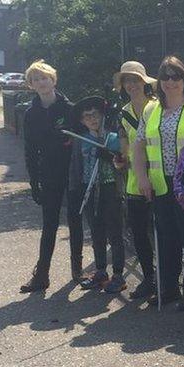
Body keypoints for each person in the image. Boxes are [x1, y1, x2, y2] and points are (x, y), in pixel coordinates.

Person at [133, 56, 184, 307]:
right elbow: (138, 146)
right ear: (159, 81)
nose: (171, 82)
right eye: (165, 77)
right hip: (160, 182)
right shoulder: (151, 109)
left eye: (176, 76)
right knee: (166, 236)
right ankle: (169, 287)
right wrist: (142, 178)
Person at [20, 59, 83, 293]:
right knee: (50, 224)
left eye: (44, 77)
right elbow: (29, 149)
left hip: (72, 172)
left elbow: (82, 139)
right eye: (36, 79)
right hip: (48, 174)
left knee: (76, 220)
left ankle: (77, 271)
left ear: (53, 80)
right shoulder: (31, 113)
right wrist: (33, 181)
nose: (41, 82)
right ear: (31, 85)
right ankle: (42, 275)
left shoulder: (70, 109)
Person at [68, 97, 127, 293]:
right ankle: (101, 271)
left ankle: (118, 274)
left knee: (115, 231)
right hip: (89, 189)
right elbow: (76, 166)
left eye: (94, 115)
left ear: (102, 115)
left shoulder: (113, 138)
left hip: (110, 188)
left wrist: (111, 157)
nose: (91, 119)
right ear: (82, 121)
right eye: (86, 117)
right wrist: (76, 188)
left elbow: (122, 163)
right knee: (96, 231)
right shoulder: (81, 141)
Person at [113, 61, 158, 300]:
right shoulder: (123, 113)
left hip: (160, 179)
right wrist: (119, 161)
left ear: (144, 82)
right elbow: (124, 149)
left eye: (135, 80)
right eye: (126, 81)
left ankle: (166, 278)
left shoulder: (158, 108)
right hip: (135, 181)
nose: (131, 85)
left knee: (164, 233)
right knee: (139, 233)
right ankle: (148, 278)